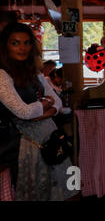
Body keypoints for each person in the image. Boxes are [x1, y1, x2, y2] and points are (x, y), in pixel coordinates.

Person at [0, 23, 75, 201]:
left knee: (59, 190)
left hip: (48, 137)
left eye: (27, 43)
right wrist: (45, 104)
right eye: (15, 43)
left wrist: (47, 109)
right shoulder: (2, 74)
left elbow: (56, 101)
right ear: (5, 46)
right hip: (23, 143)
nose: (22, 48)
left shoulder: (34, 70)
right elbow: (23, 112)